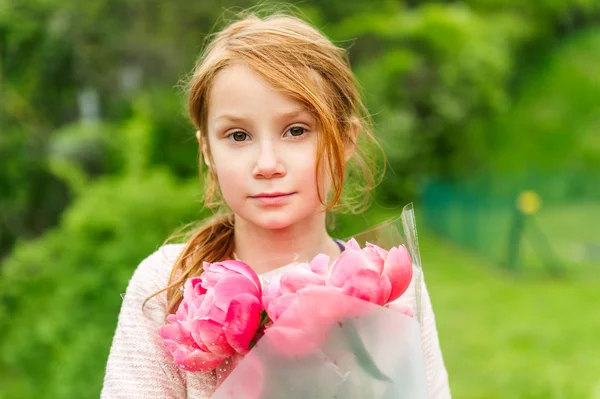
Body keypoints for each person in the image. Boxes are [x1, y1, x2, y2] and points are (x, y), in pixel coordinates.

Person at [101, 11, 451, 398]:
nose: (267, 164)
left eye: (296, 130)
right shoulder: (170, 282)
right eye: (238, 135)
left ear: (347, 139)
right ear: (207, 150)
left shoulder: (390, 287)